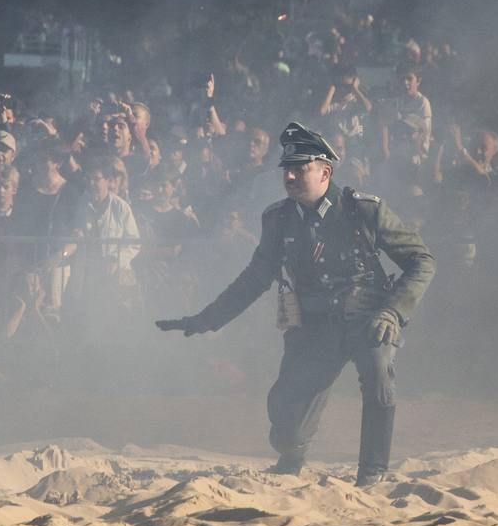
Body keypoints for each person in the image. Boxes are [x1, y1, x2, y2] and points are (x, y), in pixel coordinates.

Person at [156, 122, 435, 486]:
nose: (289, 176)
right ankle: (292, 455)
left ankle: (372, 473)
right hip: (315, 329)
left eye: (299, 168)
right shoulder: (278, 219)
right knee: (285, 415)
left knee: (379, 375)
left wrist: (393, 311)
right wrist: (204, 320)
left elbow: (422, 261)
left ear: (325, 172)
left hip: (368, 319)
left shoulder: (364, 211)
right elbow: (253, 279)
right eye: (286, 169)